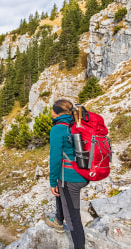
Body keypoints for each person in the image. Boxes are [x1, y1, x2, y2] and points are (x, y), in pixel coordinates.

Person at [46, 99, 89, 249]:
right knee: (60, 187)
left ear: (57, 113)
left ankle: (79, 246)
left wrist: (51, 182)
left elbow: (56, 158)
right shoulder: (76, 123)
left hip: (71, 179)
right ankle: (58, 220)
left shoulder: (58, 129)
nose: (50, 112)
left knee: (73, 218)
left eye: (52, 109)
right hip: (83, 173)